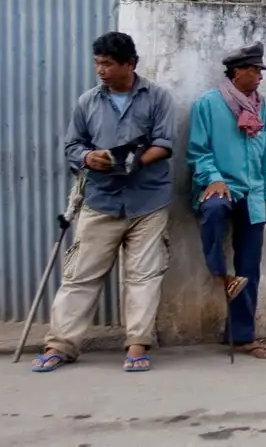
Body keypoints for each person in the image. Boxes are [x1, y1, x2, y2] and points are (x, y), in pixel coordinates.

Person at [32, 32, 175, 373]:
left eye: (108, 64)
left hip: (148, 201)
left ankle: (137, 345)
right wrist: (89, 157)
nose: (101, 70)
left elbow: (165, 144)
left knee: (143, 276)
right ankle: (60, 345)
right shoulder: (88, 102)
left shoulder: (157, 97)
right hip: (100, 200)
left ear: (130, 64)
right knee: (80, 275)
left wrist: (133, 161)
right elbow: (72, 146)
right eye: (98, 63)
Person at [187, 42, 266, 360]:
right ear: (238, 72)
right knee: (212, 210)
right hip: (221, 186)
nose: (259, 77)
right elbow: (198, 151)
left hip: (252, 192)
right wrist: (213, 177)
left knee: (249, 267)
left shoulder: (259, 106)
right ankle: (217, 270)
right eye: (255, 71)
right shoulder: (208, 104)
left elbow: (265, 152)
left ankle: (242, 336)